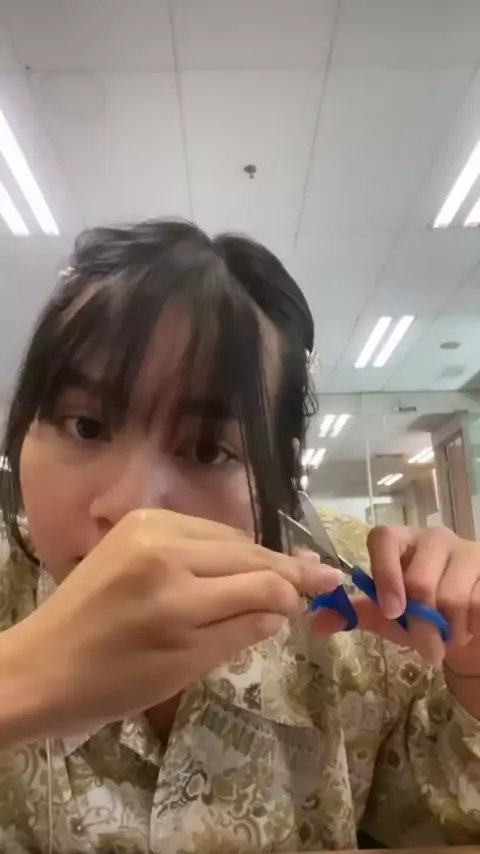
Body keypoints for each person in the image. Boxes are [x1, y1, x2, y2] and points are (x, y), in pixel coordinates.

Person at [0, 219, 479, 854]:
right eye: (86, 426)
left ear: (278, 480)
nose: (133, 514)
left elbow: (452, 814)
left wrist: (472, 670)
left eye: (207, 450)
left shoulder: (360, 607)